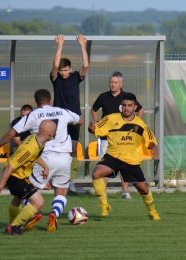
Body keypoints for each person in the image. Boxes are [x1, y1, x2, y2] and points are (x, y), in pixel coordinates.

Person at [0, 89, 83, 231]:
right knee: (62, 190)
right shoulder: (62, 111)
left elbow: (12, 133)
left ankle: (26, 217)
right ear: (50, 100)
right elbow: (80, 121)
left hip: (43, 155)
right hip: (64, 156)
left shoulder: (33, 115)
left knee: (25, 193)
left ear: (36, 103)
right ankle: (54, 214)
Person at [88, 93, 160, 220]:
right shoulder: (111, 118)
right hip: (112, 156)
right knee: (96, 174)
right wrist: (91, 128)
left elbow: (150, 139)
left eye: (130, 106)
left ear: (135, 107)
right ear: (121, 106)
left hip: (130, 161)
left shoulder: (140, 124)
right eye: (124, 105)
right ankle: (105, 205)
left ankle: (152, 211)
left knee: (143, 190)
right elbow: (96, 129)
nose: (126, 108)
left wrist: (153, 146)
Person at [0, 120, 57, 235]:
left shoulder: (36, 138)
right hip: (15, 177)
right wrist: (0, 187)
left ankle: (11, 226)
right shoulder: (30, 148)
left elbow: (34, 156)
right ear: (50, 134)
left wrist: (45, 166)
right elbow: (10, 167)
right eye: (54, 132)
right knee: (39, 202)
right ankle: (15, 226)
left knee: (17, 200)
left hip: (20, 176)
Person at [91, 71, 144, 199]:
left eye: (115, 82)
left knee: (125, 163)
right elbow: (94, 109)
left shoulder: (127, 98)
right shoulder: (103, 97)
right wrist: (98, 123)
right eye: (111, 82)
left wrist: (135, 124)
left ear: (121, 83)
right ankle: (103, 192)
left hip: (124, 139)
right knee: (103, 165)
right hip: (106, 138)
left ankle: (125, 191)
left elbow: (140, 110)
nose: (113, 85)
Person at [50, 34, 89, 193]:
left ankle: (69, 182)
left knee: (72, 150)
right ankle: (54, 180)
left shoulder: (75, 77)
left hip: (73, 120)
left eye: (65, 70)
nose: (63, 73)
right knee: (58, 150)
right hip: (59, 121)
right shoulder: (56, 79)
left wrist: (82, 46)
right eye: (61, 70)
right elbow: (54, 65)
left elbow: (86, 66)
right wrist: (60, 45)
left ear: (70, 69)